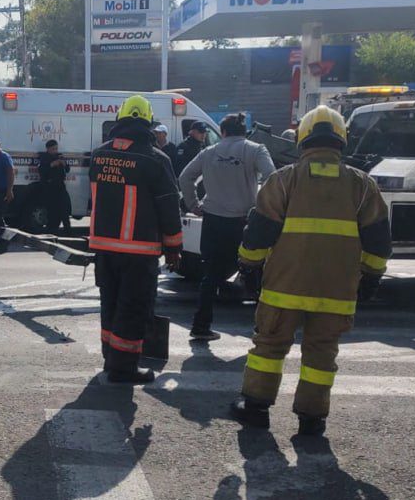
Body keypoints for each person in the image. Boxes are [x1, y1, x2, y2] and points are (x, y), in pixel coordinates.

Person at [232, 105, 392, 437]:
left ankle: (256, 410)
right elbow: (378, 241)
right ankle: (312, 419)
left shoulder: (284, 180)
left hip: (283, 288)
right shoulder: (362, 186)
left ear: (303, 139)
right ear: (341, 141)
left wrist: (248, 267)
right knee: (321, 353)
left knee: (270, 347)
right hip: (336, 292)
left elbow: (260, 232)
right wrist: (372, 277)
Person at [89, 95, 184, 384]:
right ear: (148, 124)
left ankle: (111, 357)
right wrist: (174, 246)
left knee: (111, 303)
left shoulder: (98, 154)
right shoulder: (156, 159)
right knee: (133, 307)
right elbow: (168, 206)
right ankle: (124, 368)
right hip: (139, 250)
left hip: (104, 247)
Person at [179, 113, 276, 341]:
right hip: (245, 223)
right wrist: (263, 207)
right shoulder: (256, 149)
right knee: (255, 274)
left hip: (213, 220)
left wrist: (194, 205)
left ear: (222, 132)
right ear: (244, 131)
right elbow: (273, 177)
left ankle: (200, 326)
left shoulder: (208, 152)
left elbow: (185, 178)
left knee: (210, 276)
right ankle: (262, 329)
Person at [37, 139, 71, 233]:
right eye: (53, 149)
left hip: (60, 186)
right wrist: (51, 164)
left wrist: (64, 164)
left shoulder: (59, 156)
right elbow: (41, 171)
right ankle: (52, 230)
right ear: (48, 149)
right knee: (52, 210)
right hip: (49, 187)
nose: (55, 151)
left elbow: (67, 169)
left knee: (64, 208)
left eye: (56, 148)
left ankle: (67, 230)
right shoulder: (44, 158)